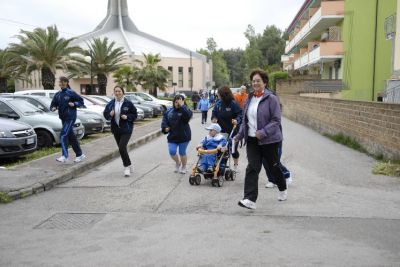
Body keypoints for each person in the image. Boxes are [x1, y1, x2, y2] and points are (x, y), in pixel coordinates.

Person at [234, 69, 287, 210]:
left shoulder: (271, 98)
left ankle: (282, 187)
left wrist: (263, 132)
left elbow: (276, 120)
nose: (255, 83)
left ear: (265, 82)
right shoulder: (249, 99)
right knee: (252, 167)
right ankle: (250, 199)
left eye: (258, 80)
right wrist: (239, 135)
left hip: (269, 140)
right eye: (253, 81)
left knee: (274, 166)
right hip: (252, 140)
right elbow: (244, 121)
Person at [103, 86, 138, 177]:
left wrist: (127, 117)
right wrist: (110, 114)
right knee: (122, 149)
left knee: (122, 147)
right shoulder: (111, 103)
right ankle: (129, 164)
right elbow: (105, 114)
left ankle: (126, 167)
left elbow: (135, 114)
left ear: (123, 92)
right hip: (116, 129)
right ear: (114, 93)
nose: (117, 93)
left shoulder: (128, 103)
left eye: (119, 91)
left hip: (126, 129)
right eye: (116, 91)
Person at [50, 76, 86, 163]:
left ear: (66, 83)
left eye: (63, 82)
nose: (61, 84)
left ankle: (64, 156)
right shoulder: (58, 94)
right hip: (63, 118)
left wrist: (74, 104)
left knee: (63, 135)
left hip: (70, 117)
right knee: (71, 137)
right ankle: (80, 154)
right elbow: (52, 105)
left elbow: (81, 101)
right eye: (60, 82)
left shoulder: (71, 93)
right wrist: (53, 108)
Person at [211, 86, 242, 171]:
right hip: (221, 131)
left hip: (233, 130)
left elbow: (240, 114)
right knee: (222, 148)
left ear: (224, 94)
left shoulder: (233, 103)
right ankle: (221, 166)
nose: (218, 95)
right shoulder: (218, 103)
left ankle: (235, 164)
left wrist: (237, 120)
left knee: (233, 150)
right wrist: (213, 118)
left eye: (219, 94)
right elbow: (214, 113)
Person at [161, 94, 193, 174]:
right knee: (172, 151)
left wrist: (182, 106)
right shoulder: (169, 111)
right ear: (173, 102)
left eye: (179, 102)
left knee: (182, 152)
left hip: (184, 136)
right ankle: (178, 162)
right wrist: (165, 127)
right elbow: (164, 121)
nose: (177, 104)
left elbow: (188, 116)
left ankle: (184, 166)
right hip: (173, 136)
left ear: (183, 102)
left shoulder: (186, 110)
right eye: (176, 102)